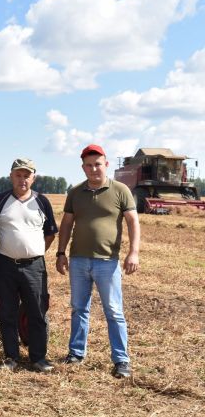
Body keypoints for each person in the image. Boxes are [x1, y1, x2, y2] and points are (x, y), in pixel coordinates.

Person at [56, 144, 140, 379]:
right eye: (89, 165)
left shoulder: (120, 190)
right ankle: (76, 354)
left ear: (107, 164)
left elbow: (133, 222)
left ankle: (121, 360)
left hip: (108, 263)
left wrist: (133, 252)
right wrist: (60, 253)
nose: (94, 169)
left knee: (114, 311)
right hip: (79, 261)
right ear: (83, 168)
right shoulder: (75, 192)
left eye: (98, 164)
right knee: (79, 309)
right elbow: (66, 224)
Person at [0, 158, 58, 373]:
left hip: (34, 267)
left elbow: (50, 234)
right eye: (18, 175)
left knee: (37, 312)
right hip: (4, 265)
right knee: (7, 312)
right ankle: (11, 357)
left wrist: (33, 252)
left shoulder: (42, 201)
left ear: (33, 178)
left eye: (26, 175)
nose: (22, 179)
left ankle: (38, 358)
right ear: (11, 176)